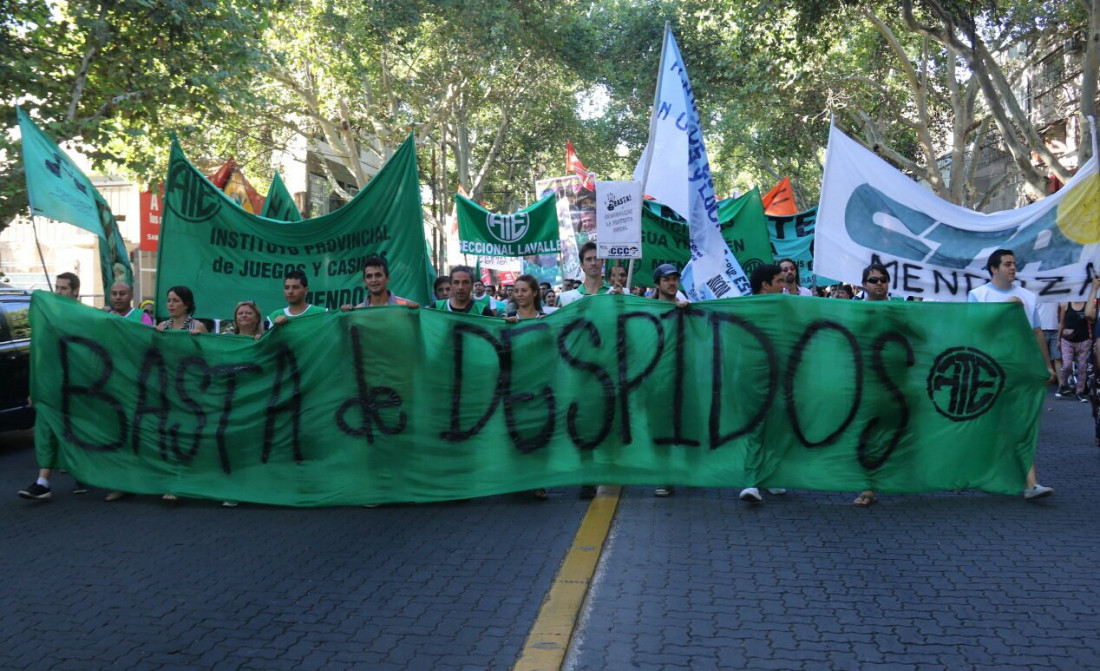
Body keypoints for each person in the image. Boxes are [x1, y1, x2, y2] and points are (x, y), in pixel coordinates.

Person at [968, 249, 1055, 500]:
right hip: (988, 370)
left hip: (1020, 370)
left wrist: (1046, 365)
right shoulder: (978, 295)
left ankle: (1031, 483)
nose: (1013, 268)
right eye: (1007, 264)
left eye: (1015, 264)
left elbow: (1037, 332)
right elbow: (974, 331)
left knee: (1020, 423)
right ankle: (971, 471)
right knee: (988, 425)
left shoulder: (1027, 297)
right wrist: (1003, 309)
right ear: (994, 269)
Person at [18, 273, 89, 500]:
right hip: (52, 387)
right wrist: (35, 388)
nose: (58, 292)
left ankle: (84, 474)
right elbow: (42, 355)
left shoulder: (86, 317)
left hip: (78, 388)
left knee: (76, 431)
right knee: (46, 430)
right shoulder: (49, 317)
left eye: (64, 288)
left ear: (76, 291)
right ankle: (43, 481)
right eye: (57, 288)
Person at [852, 263, 891, 507]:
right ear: (864, 285)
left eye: (883, 279)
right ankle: (868, 488)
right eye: (873, 280)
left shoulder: (901, 309)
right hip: (868, 385)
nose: (879, 284)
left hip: (899, 385)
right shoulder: (855, 312)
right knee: (868, 436)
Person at [651, 264, 690, 498]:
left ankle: (689, 470)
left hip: (684, 378)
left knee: (687, 425)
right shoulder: (646, 309)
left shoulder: (687, 307)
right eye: (666, 279)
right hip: (655, 380)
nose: (671, 283)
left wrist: (687, 312)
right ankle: (665, 476)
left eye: (675, 278)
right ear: (657, 284)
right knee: (661, 428)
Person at [340, 255, 419, 310]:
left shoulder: (406, 306)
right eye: (369, 276)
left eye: (378, 275)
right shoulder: (357, 311)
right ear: (364, 282)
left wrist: (416, 314)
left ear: (387, 279)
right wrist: (345, 317)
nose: (373, 280)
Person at [1056, 294, 1094, 401]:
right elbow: (1061, 323)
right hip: (1067, 340)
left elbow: (1092, 320)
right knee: (1067, 365)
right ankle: (1063, 385)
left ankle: (1079, 392)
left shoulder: (1087, 305)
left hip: (1084, 340)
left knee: (1082, 367)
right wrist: (1058, 340)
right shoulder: (1066, 305)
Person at [559, 242, 611, 307]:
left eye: (596, 258)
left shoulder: (616, 293)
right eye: (588, 259)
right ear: (581, 264)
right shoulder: (568, 299)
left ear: (602, 261)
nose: (593, 263)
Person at [429, 266, 495, 316]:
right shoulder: (437, 307)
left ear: (472, 286)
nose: (460, 287)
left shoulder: (483, 311)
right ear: (451, 285)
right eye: (456, 282)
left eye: (465, 282)